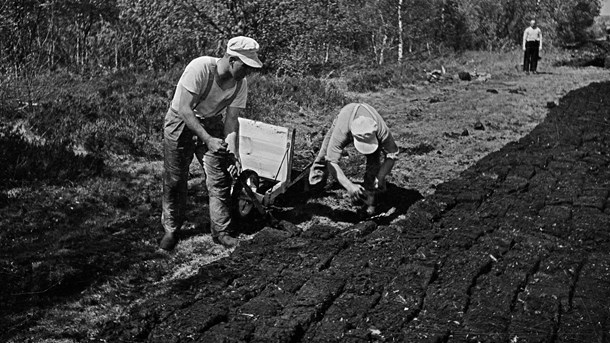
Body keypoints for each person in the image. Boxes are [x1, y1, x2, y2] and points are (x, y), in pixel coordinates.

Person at [160, 36, 263, 251]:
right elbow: (184, 109)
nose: (248, 73)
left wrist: (233, 154)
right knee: (175, 179)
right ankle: (171, 229)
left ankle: (221, 232)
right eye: (245, 67)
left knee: (219, 179)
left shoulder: (240, 84)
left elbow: (231, 121)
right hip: (181, 121)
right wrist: (207, 139)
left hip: (211, 123)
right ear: (232, 59)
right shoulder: (200, 68)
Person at [308, 103, 399, 216]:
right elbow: (331, 161)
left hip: (370, 119)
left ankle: (371, 200)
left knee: (374, 163)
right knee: (324, 154)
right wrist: (349, 186)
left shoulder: (381, 130)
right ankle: (315, 186)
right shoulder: (342, 130)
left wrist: (380, 176)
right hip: (346, 115)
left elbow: (392, 154)